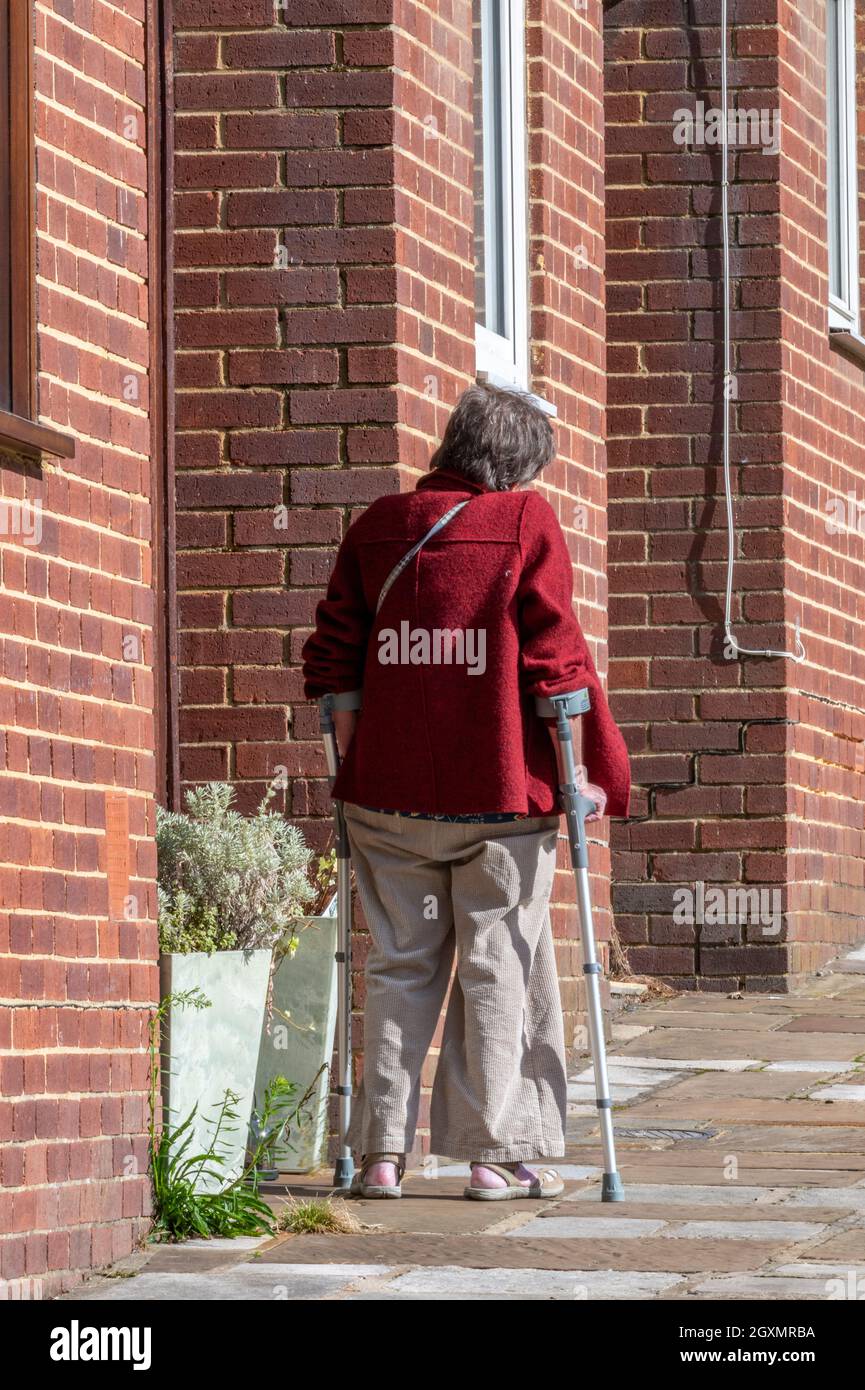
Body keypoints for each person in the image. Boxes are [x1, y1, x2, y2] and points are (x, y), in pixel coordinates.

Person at [301, 383, 631, 1200]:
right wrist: (580, 776)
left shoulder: (377, 525)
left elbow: (334, 662)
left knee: (399, 968)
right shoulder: (524, 522)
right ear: (518, 464)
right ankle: (492, 1157)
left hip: (386, 802)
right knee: (500, 968)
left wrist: (355, 770)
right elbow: (556, 660)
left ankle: (380, 1156)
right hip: (499, 802)